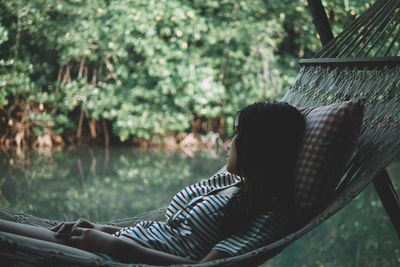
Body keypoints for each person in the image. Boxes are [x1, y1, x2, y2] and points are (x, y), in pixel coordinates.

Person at [0, 101, 305, 265]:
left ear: (259, 146)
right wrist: (101, 229)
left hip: (115, 258)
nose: (229, 142)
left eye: (238, 134)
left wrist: (112, 245)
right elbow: (168, 230)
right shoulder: (228, 181)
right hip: (111, 243)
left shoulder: (270, 212)